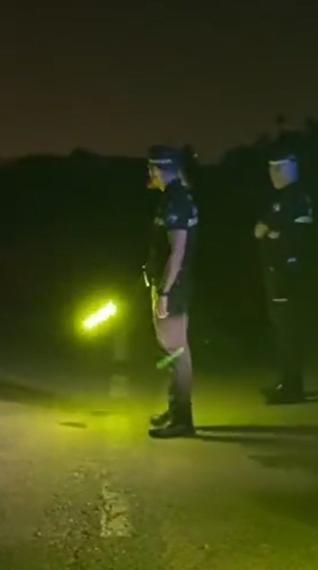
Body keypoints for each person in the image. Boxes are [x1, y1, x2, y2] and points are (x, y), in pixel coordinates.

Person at [144, 145, 200, 439]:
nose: (149, 174)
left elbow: (176, 252)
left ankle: (182, 419)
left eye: (152, 168)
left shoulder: (176, 200)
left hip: (173, 287)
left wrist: (164, 293)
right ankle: (176, 410)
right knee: (173, 350)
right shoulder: (176, 197)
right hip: (174, 285)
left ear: (161, 169)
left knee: (176, 351)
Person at [254, 146, 313, 404]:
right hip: (277, 272)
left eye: (279, 167)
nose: (273, 173)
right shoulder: (280, 199)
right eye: (270, 168)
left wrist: (274, 233)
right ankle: (285, 382)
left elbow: (294, 237)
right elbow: (260, 230)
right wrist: (271, 231)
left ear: (292, 168)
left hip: (288, 274)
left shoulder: (296, 198)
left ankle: (292, 389)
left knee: (289, 331)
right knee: (282, 330)